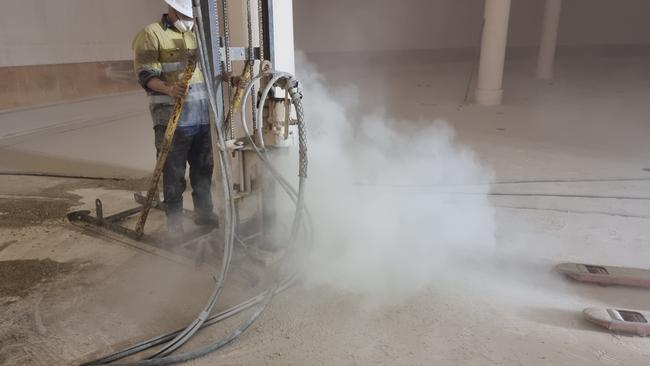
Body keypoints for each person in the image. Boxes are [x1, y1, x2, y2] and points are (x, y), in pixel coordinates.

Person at [132, 0, 218, 240]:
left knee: (203, 170)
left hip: (199, 118)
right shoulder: (151, 34)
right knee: (173, 174)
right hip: (171, 119)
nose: (189, 20)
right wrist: (169, 89)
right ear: (172, 10)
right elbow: (145, 75)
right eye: (184, 15)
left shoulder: (195, 34)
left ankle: (205, 216)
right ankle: (175, 227)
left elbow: (206, 71)